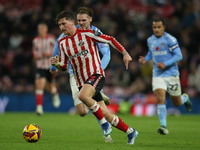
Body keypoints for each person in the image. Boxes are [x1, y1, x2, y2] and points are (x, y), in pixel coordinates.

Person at [50, 11, 139, 145]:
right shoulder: (62, 42)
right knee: (106, 113)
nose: (61, 27)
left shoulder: (87, 34)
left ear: (72, 22)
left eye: (64, 23)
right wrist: (56, 64)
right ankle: (130, 132)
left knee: (83, 96)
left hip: (95, 75)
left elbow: (110, 39)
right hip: (80, 81)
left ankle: (104, 125)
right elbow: (63, 66)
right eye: (59, 25)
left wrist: (125, 53)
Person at [50, 7, 113, 143]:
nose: (82, 23)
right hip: (75, 74)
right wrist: (52, 66)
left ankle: (107, 134)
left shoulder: (94, 32)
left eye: (84, 20)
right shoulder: (66, 33)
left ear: (90, 20)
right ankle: (99, 97)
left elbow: (107, 53)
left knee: (95, 104)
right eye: (79, 21)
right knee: (83, 112)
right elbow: (57, 45)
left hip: (92, 73)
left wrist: (98, 70)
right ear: (75, 21)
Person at [138, 18, 192, 135]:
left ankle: (185, 99)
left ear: (164, 27)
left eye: (159, 27)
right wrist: (145, 59)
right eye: (154, 27)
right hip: (158, 75)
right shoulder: (150, 40)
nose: (156, 29)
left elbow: (179, 56)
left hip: (171, 75)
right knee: (160, 97)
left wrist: (165, 64)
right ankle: (163, 126)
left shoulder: (170, 40)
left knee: (177, 102)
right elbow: (151, 53)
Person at [32, 22, 61, 115]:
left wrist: (50, 54)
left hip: (50, 66)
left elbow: (58, 50)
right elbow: (34, 53)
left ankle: (55, 93)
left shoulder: (52, 39)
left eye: (42, 28)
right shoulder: (35, 40)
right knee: (40, 84)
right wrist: (36, 56)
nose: (40, 30)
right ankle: (39, 108)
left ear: (46, 29)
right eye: (39, 29)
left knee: (50, 88)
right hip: (40, 66)